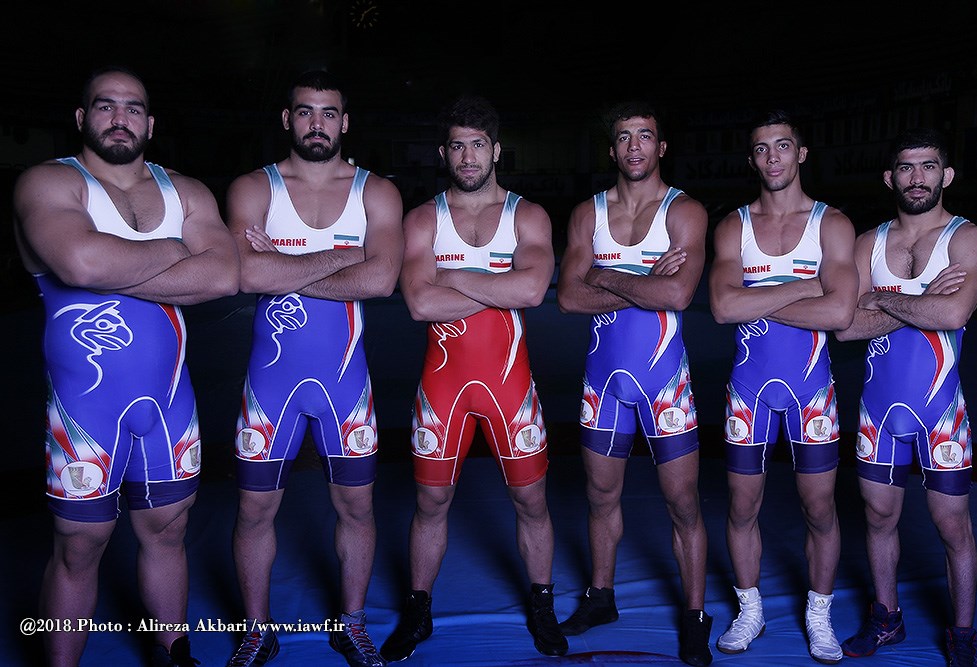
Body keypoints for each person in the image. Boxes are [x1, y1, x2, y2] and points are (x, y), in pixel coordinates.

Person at [12, 66, 239, 667]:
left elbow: (223, 274)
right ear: (81, 117)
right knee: (80, 546)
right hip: (85, 410)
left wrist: (119, 263)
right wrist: (175, 252)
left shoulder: (186, 192)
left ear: (150, 122)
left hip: (169, 402)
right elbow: (80, 264)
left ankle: (174, 653)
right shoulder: (49, 182)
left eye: (133, 108)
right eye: (105, 105)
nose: (120, 118)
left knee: (168, 531)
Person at [224, 70, 403, 667]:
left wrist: (285, 262)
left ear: (344, 122)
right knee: (254, 510)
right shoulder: (254, 188)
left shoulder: (376, 192)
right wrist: (343, 256)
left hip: (344, 383)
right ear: (287, 119)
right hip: (269, 384)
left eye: (329, 113)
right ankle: (257, 630)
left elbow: (381, 279)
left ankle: (351, 624)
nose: (317, 124)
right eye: (305, 112)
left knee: (357, 507)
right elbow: (246, 274)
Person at [380, 94, 566, 661]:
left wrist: (452, 277)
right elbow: (419, 303)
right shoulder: (422, 219)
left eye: (478, 145)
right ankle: (418, 611)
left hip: (512, 387)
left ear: (496, 151)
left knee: (531, 500)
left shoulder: (528, 216)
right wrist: (494, 282)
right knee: (430, 502)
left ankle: (542, 605)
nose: (467, 156)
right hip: (444, 387)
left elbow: (530, 290)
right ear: (443, 153)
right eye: (457, 146)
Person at [555, 100, 713, 666]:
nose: (634, 146)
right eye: (624, 137)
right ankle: (601, 597)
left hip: (665, 382)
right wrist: (644, 278)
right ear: (612, 149)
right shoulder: (587, 214)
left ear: (661, 146)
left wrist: (605, 274)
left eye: (645, 135)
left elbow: (678, 294)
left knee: (683, 502)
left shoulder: (684, 211)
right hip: (604, 384)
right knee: (600, 497)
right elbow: (569, 297)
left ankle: (694, 616)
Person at [708, 109, 858, 664]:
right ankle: (750, 610)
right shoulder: (733, 227)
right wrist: (802, 289)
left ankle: (819, 614)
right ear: (752, 159)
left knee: (820, 508)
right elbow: (723, 307)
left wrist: (758, 297)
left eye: (783, 146)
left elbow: (840, 313)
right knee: (742, 505)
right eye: (761, 148)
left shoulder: (832, 225)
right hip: (748, 391)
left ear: (802, 153)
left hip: (810, 391)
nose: (773, 157)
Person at [836, 128, 977, 667]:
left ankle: (963, 633)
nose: (917, 177)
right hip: (879, 412)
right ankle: (887, 618)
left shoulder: (968, 239)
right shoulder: (867, 244)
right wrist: (918, 300)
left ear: (947, 175)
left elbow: (954, 313)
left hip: (941, 411)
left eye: (928, 167)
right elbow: (846, 327)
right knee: (878, 518)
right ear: (890, 177)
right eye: (906, 167)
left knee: (953, 525)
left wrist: (882, 298)